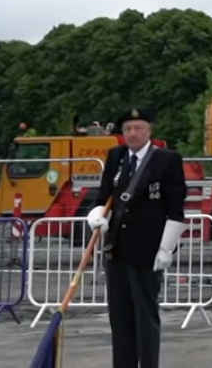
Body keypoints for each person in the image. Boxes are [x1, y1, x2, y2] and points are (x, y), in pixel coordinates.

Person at [86, 107, 189, 368]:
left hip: (148, 249)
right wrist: (97, 215)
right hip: (117, 249)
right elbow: (104, 196)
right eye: (128, 129)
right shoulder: (116, 156)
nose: (133, 133)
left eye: (138, 128)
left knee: (145, 316)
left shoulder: (166, 159)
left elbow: (175, 207)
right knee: (119, 317)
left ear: (149, 130)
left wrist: (166, 248)